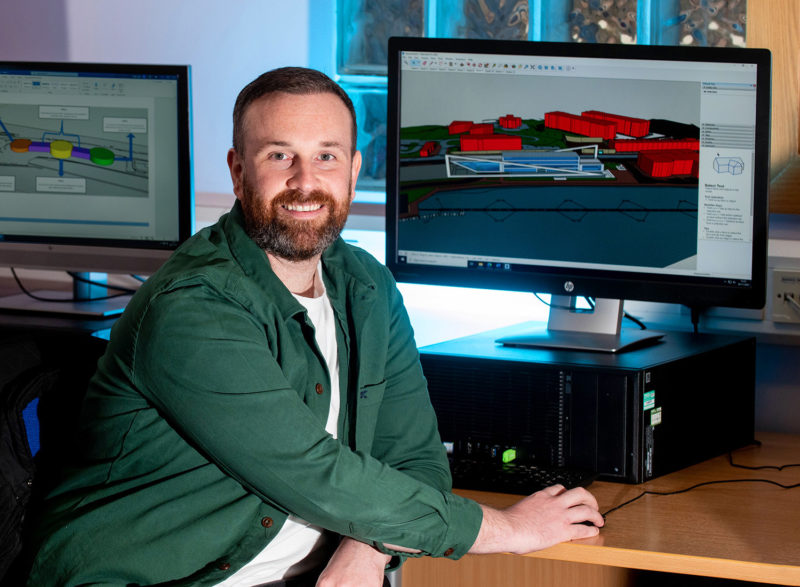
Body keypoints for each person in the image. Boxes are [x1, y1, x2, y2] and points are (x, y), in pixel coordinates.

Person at [26, 67, 603, 587]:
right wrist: (505, 530)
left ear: (353, 170)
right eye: (280, 156)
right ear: (237, 171)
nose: (305, 180)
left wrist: (369, 547)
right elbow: (312, 474)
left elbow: (416, 459)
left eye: (327, 156)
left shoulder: (368, 286)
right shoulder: (192, 308)